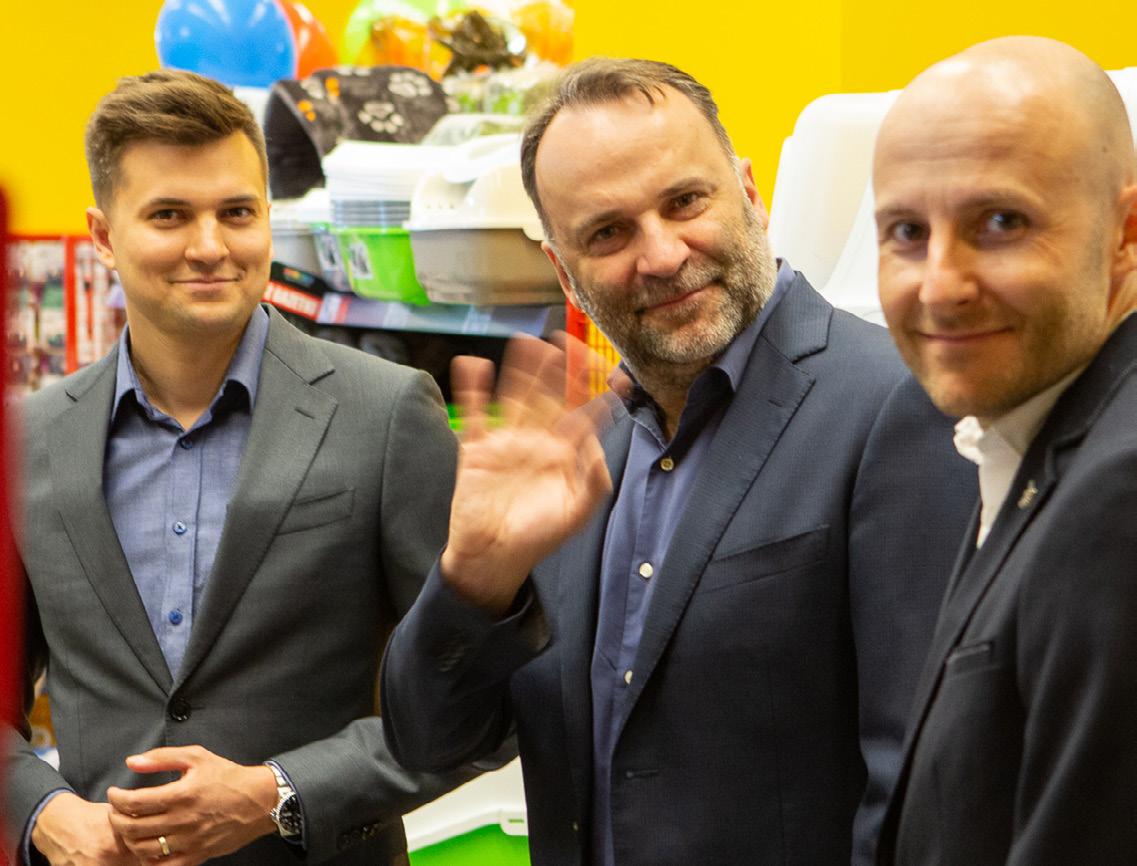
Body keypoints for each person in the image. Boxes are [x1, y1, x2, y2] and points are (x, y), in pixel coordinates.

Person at [380, 57, 975, 865]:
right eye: (607, 232)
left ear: (750, 194)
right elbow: (427, 743)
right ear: (563, 272)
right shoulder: (570, 463)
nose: (660, 255)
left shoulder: (897, 407)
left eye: (685, 202)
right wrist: (474, 578)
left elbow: (927, 789)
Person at [3, 70, 477, 866]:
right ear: (102, 235)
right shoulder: (29, 440)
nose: (210, 246)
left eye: (237, 212)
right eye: (168, 215)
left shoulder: (386, 414)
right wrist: (44, 812)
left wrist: (279, 794)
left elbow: (474, 698)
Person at [871, 36, 1137, 864]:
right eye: (906, 231)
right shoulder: (1026, 433)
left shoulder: (1118, 497)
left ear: (1125, 234)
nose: (939, 286)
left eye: (999, 223)